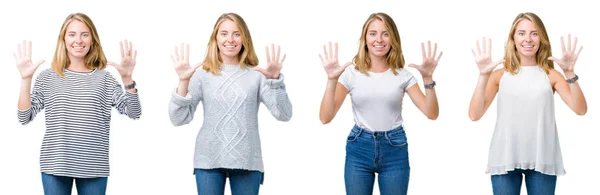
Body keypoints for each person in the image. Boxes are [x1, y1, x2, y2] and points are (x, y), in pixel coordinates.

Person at [15, 12, 141, 195]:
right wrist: (26, 79)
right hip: (55, 165)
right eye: (72, 34)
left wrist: (128, 79)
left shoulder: (105, 79)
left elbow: (134, 112)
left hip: (93, 166)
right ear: (63, 39)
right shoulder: (48, 77)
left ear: (92, 40)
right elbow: (24, 117)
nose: (78, 40)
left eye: (85, 34)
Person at [167, 12, 293, 195]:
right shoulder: (202, 74)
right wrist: (183, 82)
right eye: (224, 33)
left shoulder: (257, 74)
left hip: (247, 160)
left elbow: (284, 114)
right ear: (215, 38)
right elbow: (178, 118)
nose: (230, 40)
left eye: (236, 33)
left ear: (244, 38)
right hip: (208, 159)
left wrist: (275, 81)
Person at [318, 12, 442, 195]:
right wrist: (331, 80)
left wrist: (428, 79)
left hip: (394, 149)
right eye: (373, 33)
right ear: (365, 38)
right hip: (359, 147)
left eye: (385, 33)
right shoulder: (350, 74)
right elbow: (325, 117)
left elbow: (431, 113)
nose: (379, 40)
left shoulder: (403, 75)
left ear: (393, 39)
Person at [468, 12, 587, 195]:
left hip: (542, 158)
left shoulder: (550, 75)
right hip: (505, 157)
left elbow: (580, 109)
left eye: (534, 33)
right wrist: (483, 76)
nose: (528, 39)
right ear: (513, 38)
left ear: (541, 38)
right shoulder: (500, 75)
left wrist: (570, 73)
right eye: (521, 33)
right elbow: (474, 114)